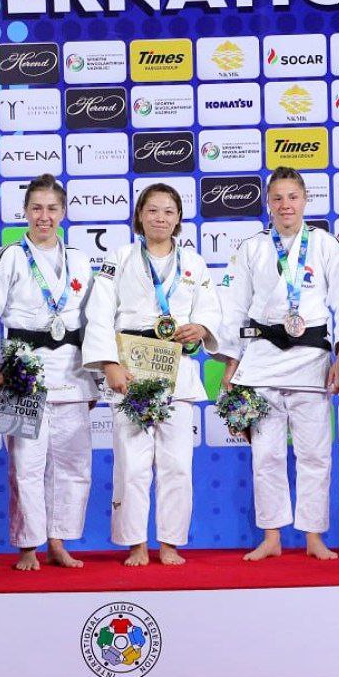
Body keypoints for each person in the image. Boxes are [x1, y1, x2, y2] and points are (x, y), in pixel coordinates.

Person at [215, 167, 339, 561]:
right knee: (266, 455)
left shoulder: (326, 246)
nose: (285, 205)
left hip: (312, 361)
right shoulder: (252, 248)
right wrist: (230, 369)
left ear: (305, 200)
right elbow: (234, 309)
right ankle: (272, 536)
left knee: (315, 454)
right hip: (261, 361)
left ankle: (313, 537)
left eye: (292, 197)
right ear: (268, 203)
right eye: (277, 198)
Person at [83, 183, 222, 566]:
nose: (160, 218)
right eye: (153, 210)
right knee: (132, 464)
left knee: (177, 464)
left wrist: (201, 328)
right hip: (131, 370)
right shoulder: (120, 258)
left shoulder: (193, 263)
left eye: (169, 211)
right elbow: (99, 313)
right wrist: (109, 364)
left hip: (178, 371)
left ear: (178, 219)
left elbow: (211, 309)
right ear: (140, 216)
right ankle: (136, 544)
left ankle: (171, 542)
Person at [0, 173, 99, 571]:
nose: (44, 216)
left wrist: (96, 376)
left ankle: (58, 541)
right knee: (26, 465)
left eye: (52, 208)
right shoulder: (7, 257)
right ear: (24, 211)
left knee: (73, 464)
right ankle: (28, 545)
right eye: (37, 208)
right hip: (24, 373)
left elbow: (94, 321)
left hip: (73, 372)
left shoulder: (79, 259)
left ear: (63, 212)